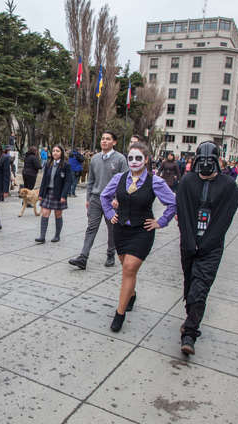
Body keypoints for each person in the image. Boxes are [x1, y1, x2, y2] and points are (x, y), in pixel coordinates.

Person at [101, 142, 176, 332]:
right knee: (126, 268)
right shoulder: (119, 178)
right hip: (121, 230)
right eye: (131, 158)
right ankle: (131, 294)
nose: (134, 162)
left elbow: (173, 202)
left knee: (129, 268)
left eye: (138, 158)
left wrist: (161, 221)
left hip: (143, 231)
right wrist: (110, 214)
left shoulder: (155, 181)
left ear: (146, 160)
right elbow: (104, 196)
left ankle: (119, 314)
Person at [176, 142, 238, 355]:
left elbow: (225, 218)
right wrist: (189, 239)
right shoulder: (187, 181)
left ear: (217, 161)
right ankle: (190, 317)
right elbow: (183, 212)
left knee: (201, 288)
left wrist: (206, 243)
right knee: (190, 284)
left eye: (209, 161)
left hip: (211, 246)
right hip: (189, 244)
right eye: (200, 160)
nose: (204, 164)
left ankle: (190, 334)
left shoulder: (228, 185)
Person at [69, 131, 128, 269]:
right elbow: (91, 180)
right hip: (96, 199)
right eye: (102, 139)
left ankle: (110, 254)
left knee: (112, 229)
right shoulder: (95, 158)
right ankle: (83, 257)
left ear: (114, 142)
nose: (104, 141)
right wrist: (88, 197)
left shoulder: (120, 159)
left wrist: (118, 199)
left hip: (111, 201)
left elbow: (125, 181)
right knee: (91, 228)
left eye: (108, 139)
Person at [36, 144, 71, 243]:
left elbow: (68, 181)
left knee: (58, 215)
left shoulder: (66, 165)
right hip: (48, 192)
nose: (55, 152)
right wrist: (41, 194)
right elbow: (44, 180)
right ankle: (42, 236)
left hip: (58, 193)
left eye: (58, 151)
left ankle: (57, 235)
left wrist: (64, 195)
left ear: (61, 153)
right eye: (54, 151)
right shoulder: (48, 164)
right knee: (45, 213)